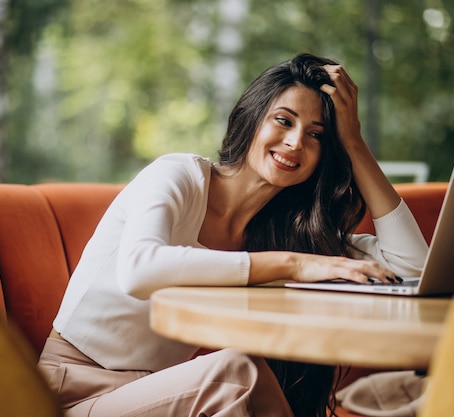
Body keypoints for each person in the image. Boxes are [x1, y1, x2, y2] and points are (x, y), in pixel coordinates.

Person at [37, 53, 428, 417]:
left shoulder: (284, 234)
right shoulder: (179, 176)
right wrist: (294, 265)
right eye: (284, 120)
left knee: (242, 371)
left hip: (155, 390)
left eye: (317, 135)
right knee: (236, 371)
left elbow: (411, 266)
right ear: (252, 117)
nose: (295, 142)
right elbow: (140, 270)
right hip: (70, 388)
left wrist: (354, 142)